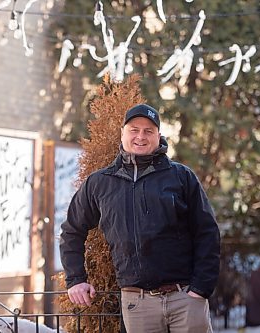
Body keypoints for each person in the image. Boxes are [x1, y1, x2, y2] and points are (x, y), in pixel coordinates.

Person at [60, 104, 220, 333]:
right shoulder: (100, 183)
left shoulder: (181, 177)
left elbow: (207, 232)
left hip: (185, 297)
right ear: (123, 132)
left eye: (148, 131)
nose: (141, 137)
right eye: (134, 130)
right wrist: (76, 279)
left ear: (158, 136)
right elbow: (72, 231)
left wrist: (201, 288)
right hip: (138, 302)